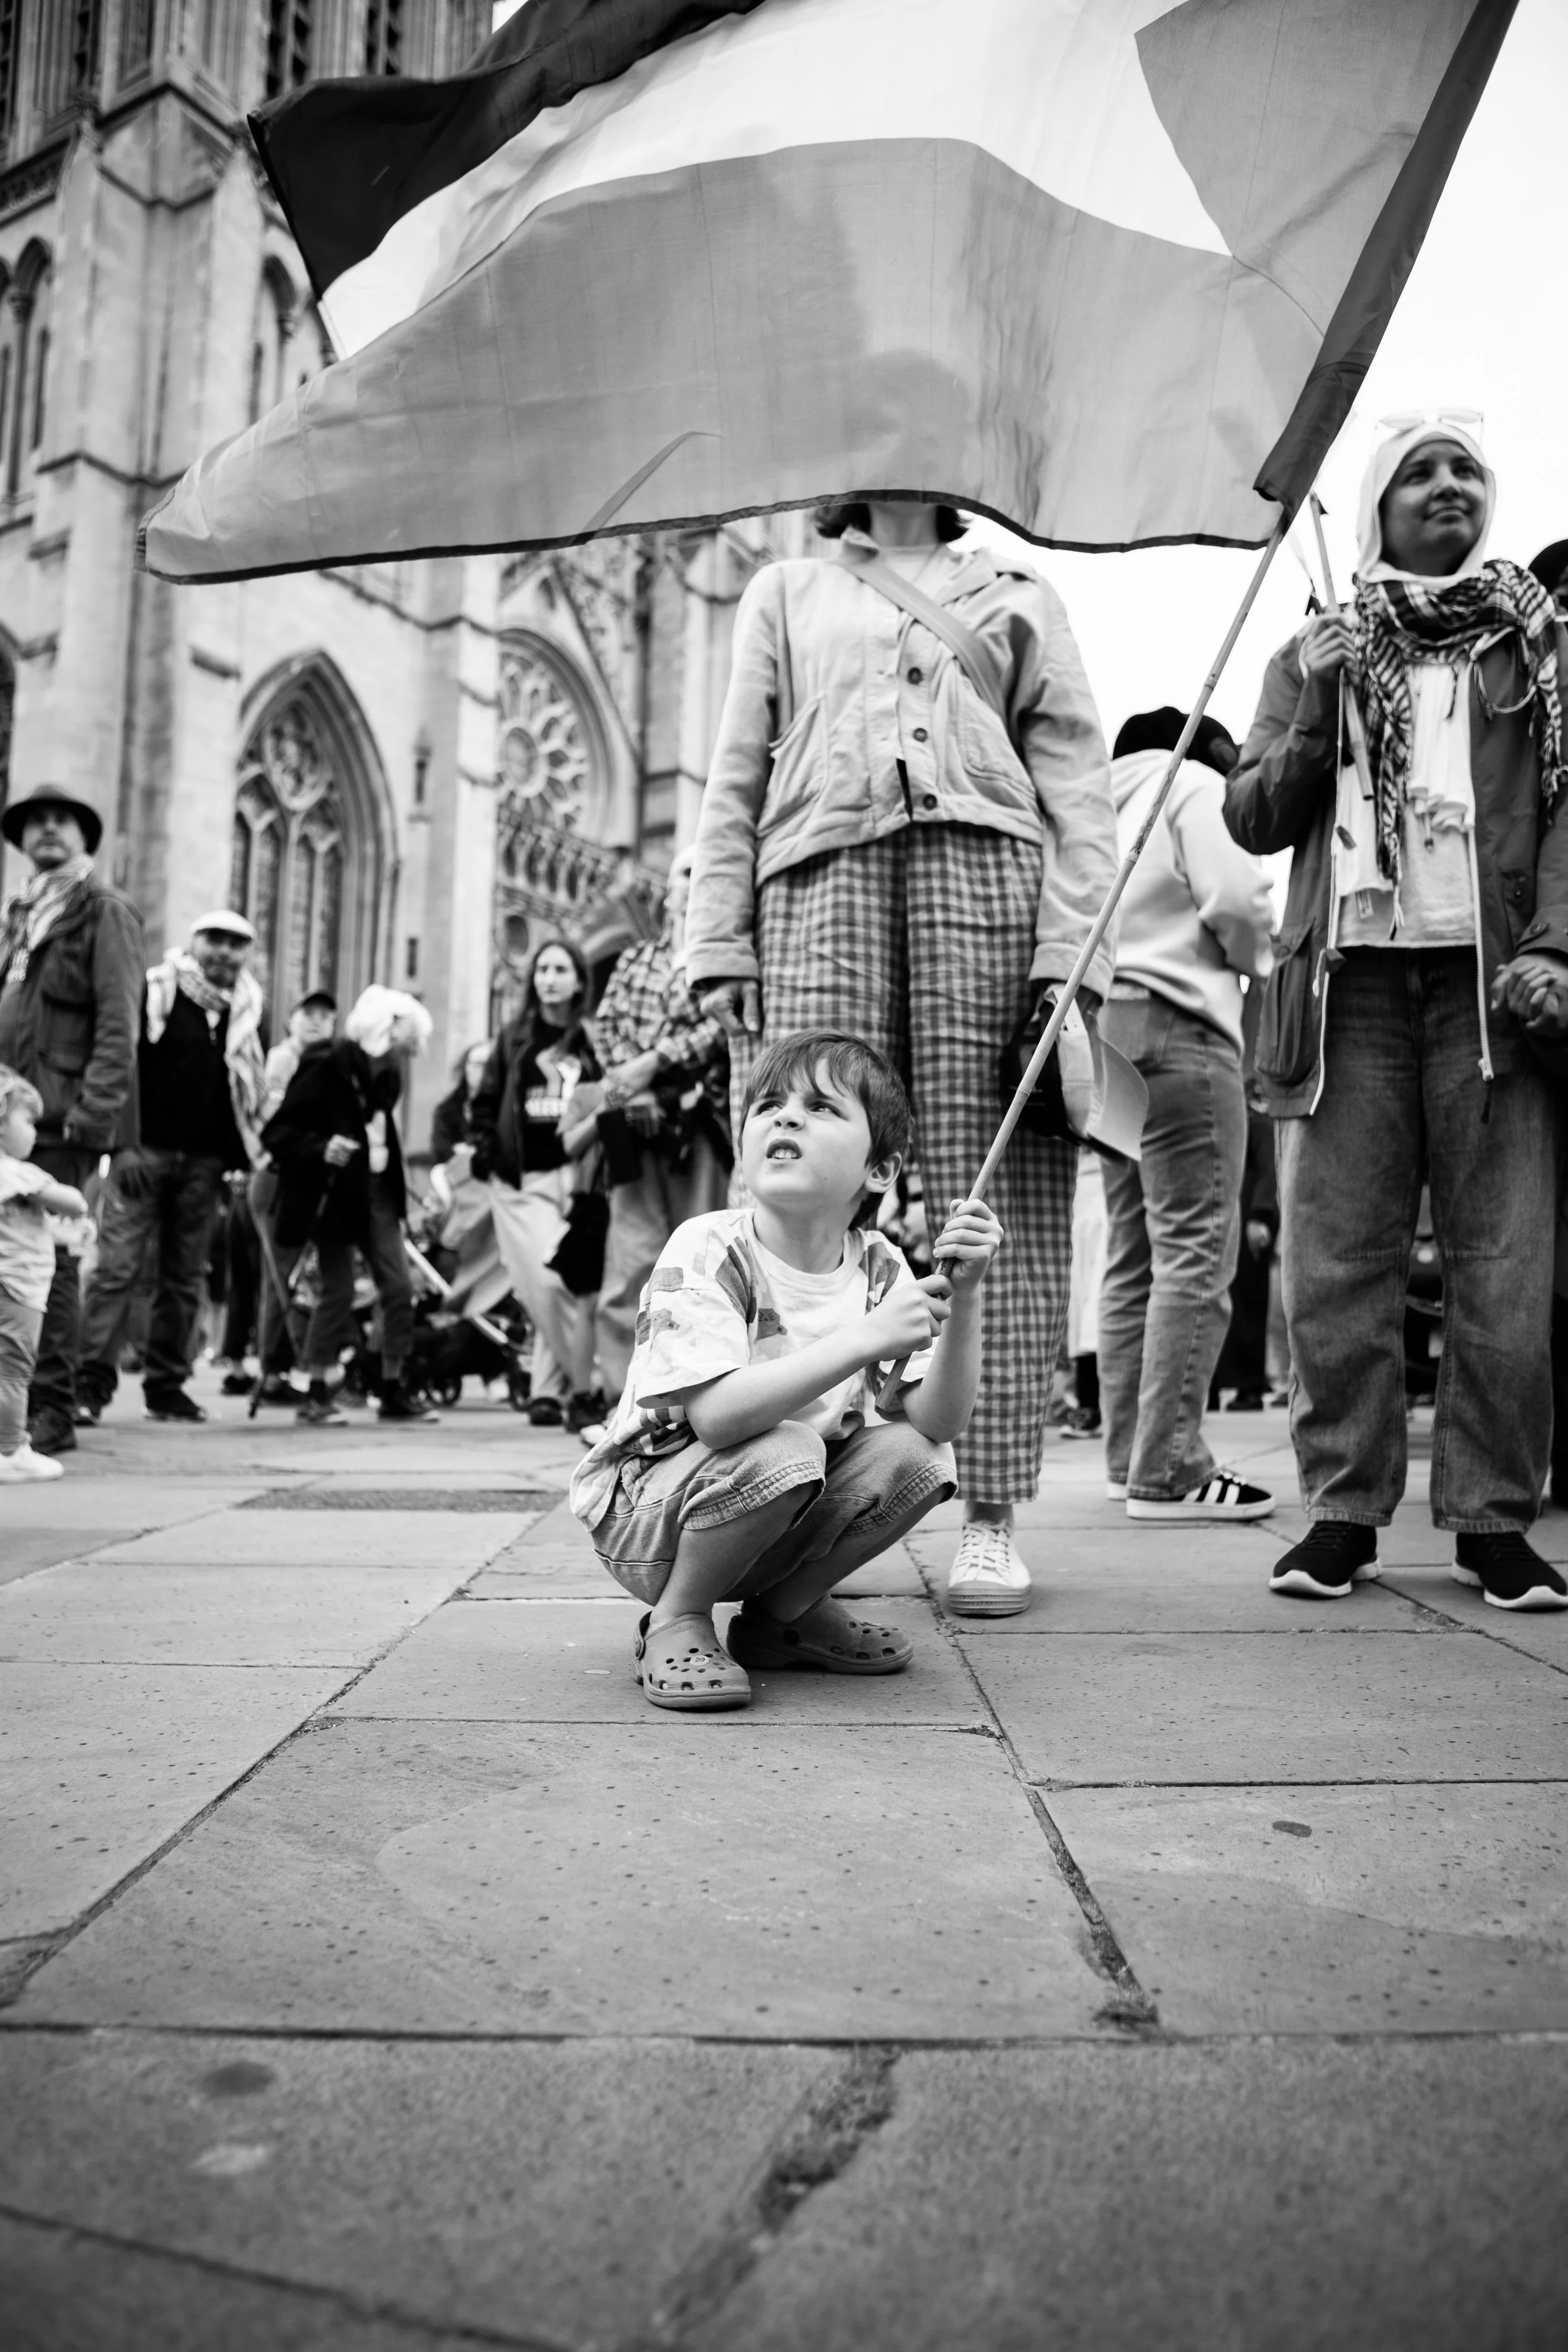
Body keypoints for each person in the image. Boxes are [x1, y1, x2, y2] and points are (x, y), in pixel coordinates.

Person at [686, 497, 1118, 1617]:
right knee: (804, 1183)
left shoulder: (1020, 591)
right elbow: (734, 772)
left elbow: (1076, 786)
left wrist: (1072, 958)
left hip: (989, 875)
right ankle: (780, 1493)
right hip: (816, 872)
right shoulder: (787, 589)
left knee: (1000, 1188)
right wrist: (718, 940)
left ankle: (992, 1514)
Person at [1226, 419, 1568, 1609]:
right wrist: (1321, 695)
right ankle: (1339, 1514)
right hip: (1351, 984)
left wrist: (1558, 948)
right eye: (1418, 471)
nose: (1445, 486)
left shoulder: (1539, 645)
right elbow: (1256, 815)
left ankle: (1492, 1521)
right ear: (1376, 506)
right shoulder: (1314, 645)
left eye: (1465, 468)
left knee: (1506, 1262)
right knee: (1337, 1260)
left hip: (1493, 988)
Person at [569, 1030, 1002, 1711]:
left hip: (780, 1502)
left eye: (821, 1108)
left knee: (922, 1455)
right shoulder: (709, 1245)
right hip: (651, 1516)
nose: (786, 1116)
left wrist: (967, 1293)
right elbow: (717, 1416)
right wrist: (865, 1338)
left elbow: (940, 1421)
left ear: (880, 1170)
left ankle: (783, 1618)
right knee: (790, 1446)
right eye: (769, 1104)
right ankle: (678, 1616)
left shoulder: (882, 1265)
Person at [1097, 708, 1276, 1520]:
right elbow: (1236, 898)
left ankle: (1126, 1452)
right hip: (1181, 1020)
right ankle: (1168, 1466)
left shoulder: (1093, 803)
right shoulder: (1194, 782)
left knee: (1131, 1254)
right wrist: (1258, 958)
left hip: (1105, 1029)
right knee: (1197, 1251)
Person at [77, 911, 267, 1425]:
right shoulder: (156, 991)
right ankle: (88, 1385)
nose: (225, 952)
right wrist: (122, 1147)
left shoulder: (248, 1010)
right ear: (195, 942)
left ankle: (166, 1387)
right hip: (145, 1153)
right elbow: (123, 1066)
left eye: (236, 944)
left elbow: (243, 1094)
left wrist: (237, 1161)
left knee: (184, 1280)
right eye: (215, 940)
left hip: (204, 1165)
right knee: (116, 1270)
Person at [0, 783, 142, 1454]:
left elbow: (120, 1019)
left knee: (49, 1261)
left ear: (84, 836)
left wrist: (93, 1113)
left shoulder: (102, 910)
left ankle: (51, 1407)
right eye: (36, 823)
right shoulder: (24, 913)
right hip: (16, 1116)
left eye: (61, 821)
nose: (48, 831)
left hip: (64, 1120)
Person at [578, 847, 731, 1409]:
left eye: (705, 872)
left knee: (698, 1266)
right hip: (634, 1131)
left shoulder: (721, 964)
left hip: (697, 1128)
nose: (695, 881)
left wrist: (657, 1064)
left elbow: (722, 1031)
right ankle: (626, 1400)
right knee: (629, 1263)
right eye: (686, 871)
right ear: (668, 890)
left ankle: (692, 1397)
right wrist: (632, 1087)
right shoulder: (636, 959)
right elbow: (607, 1027)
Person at [261, 986, 436, 1427]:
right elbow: (278, 1134)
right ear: (386, 1031)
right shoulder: (327, 1064)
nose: (409, 1050)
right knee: (337, 1288)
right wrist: (323, 1147)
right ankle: (317, 1390)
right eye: (405, 1039)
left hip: (377, 1192)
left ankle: (392, 1386)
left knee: (398, 1287)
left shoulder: (388, 1075)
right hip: (337, 1194)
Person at [470, 938, 606, 1434]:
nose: (548, 978)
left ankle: (548, 1392)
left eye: (560, 968)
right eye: (542, 969)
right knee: (545, 1283)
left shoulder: (592, 1039)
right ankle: (587, 1391)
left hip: (577, 1173)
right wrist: (488, 1154)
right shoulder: (514, 1037)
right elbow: (484, 1101)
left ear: (578, 980)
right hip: (522, 1177)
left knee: (564, 1280)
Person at [0, 1067, 89, 1482]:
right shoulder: (18, 1173)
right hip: (19, 1290)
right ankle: (10, 1449)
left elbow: (20, 1226)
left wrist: (55, 1232)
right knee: (15, 1371)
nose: (36, 1132)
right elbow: (74, 1202)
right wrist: (70, 1206)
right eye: (29, 1121)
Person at [250, 989, 337, 1400]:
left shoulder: (326, 1063)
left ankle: (280, 1366)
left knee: (290, 1273)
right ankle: (273, 1370)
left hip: (302, 1173)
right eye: (309, 1014)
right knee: (279, 1273)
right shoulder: (284, 1060)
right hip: (278, 1173)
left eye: (325, 1015)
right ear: (292, 1021)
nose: (317, 1021)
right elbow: (273, 1121)